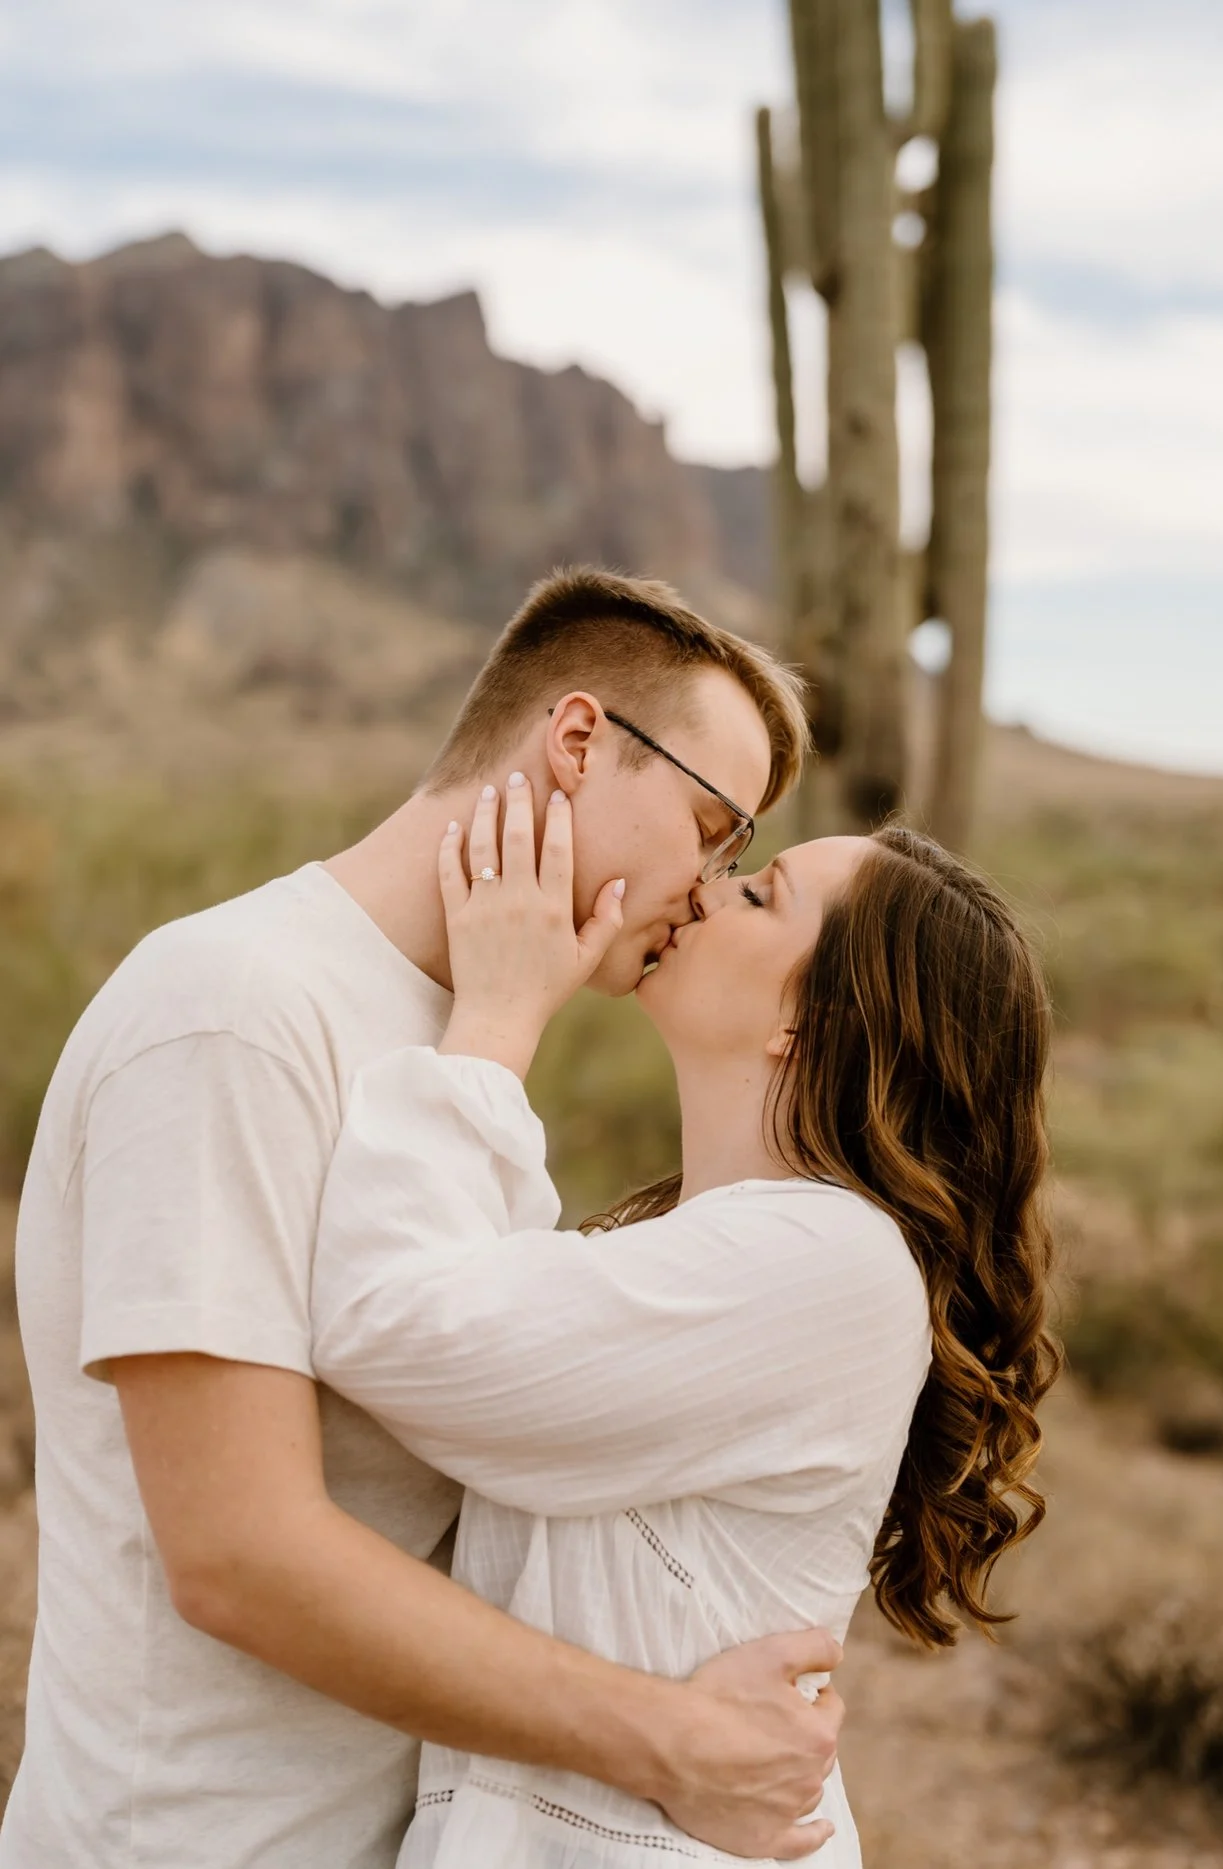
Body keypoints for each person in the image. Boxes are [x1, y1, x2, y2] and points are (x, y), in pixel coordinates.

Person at [3, 572, 850, 1867]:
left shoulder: (467, 1046)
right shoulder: (232, 1011)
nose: (711, 886)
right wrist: (670, 1740)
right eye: (711, 823)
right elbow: (239, 1553)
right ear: (576, 743)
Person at [304, 780, 1056, 1864]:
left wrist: (497, 1023)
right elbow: (478, 1308)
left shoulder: (826, 1264)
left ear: (811, 1022)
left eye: (761, 895)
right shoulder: (700, 1243)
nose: (708, 889)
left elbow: (400, 1326)